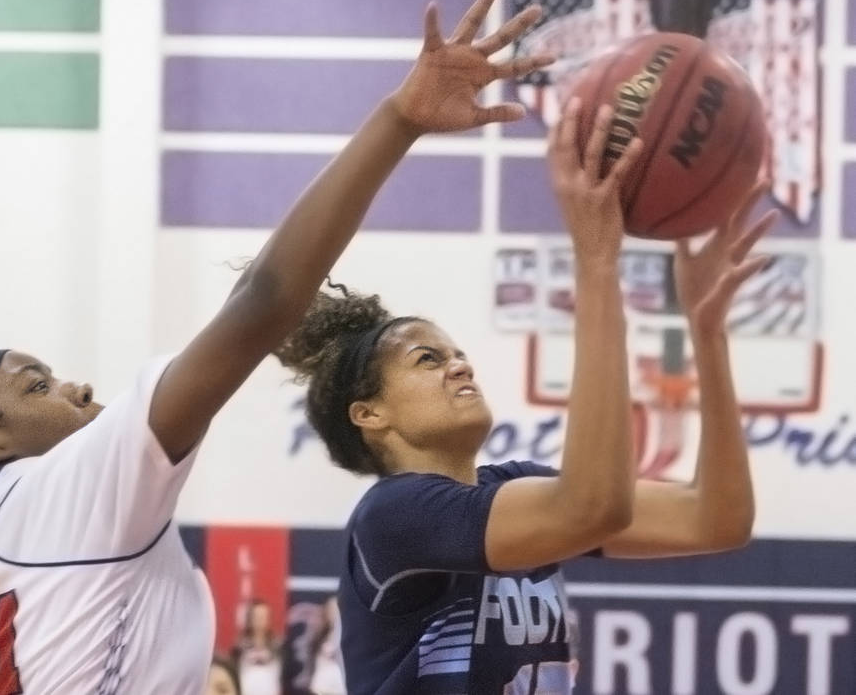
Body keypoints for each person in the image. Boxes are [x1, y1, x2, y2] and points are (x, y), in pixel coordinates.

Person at [0, 0, 552, 692]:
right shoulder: (78, 482)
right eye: (35, 386)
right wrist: (399, 119)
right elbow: (262, 302)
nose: (74, 388)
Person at [273, 93, 774, 693]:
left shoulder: (513, 489)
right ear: (369, 414)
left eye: (457, 353)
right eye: (427, 359)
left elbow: (716, 520)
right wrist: (595, 263)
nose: (459, 366)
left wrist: (707, 332)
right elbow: (591, 507)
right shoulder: (394, 518)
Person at [232, 599, 281, 695]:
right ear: (250, 619)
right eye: (257, 616)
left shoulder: (277, 645)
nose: (260, 620)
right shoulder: (240, 646)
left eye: (263, 616)